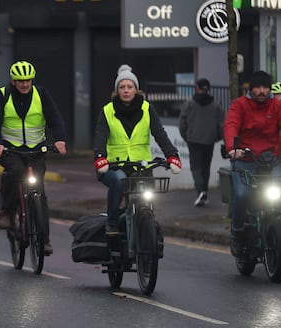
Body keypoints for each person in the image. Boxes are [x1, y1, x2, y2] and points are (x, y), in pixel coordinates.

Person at [0, 60, 67, 255]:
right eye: (20, 81)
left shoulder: (41, 94)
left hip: (36, 149)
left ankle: (45, 240)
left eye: (28, 81)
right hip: (10, 150)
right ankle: (6, 211)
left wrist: (60, 139)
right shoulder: (2, 95)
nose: (24, 84)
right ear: (13, 81)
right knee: (15, 172)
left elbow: (54, 117)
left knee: (39, 190)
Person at [93, 65, 182, 235]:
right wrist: (100, 156)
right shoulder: (107, 111)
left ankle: (147, 231)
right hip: (114, 165)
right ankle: (111, 223)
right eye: (122, 87)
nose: (126, 90)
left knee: (146, 200)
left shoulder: (147, 109)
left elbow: (160, 134)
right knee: (118, 181)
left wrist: (172, 155)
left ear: (136, 89)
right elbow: (100, 137)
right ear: (117, 90)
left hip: (141, 166)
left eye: (130, 87)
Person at [223, 71, 281, 256]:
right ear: (251, 88)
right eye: (258, 87)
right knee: (242, 195)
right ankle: (237, 232)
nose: (261, 91)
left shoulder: (277, 106)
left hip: (270, 160)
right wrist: (232, 148)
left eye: (265, 87)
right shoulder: (240, 105)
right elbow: (231, 125)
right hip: (245, 160)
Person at [178, 78, 224, 207]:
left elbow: (182, 122)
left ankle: (200, 191)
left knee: (196, 167)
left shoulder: (189, 104)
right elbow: (222, 124)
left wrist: (186, 136)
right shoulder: (216, 105)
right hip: (209, 141)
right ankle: (204, 191)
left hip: (193, 140)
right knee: (205, 167)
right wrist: (217, 137)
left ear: (197, 88)